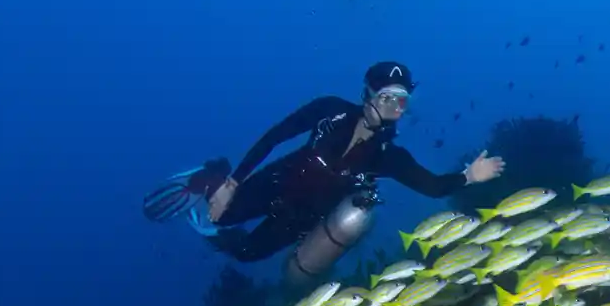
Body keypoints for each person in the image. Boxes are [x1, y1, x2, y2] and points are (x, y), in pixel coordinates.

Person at [143, 62, 505, 283]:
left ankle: (210, 218)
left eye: (402, 102)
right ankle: (211, 176)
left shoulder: (387, 157)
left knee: (246, 253)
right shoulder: (329, 110)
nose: (394, 108)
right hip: (276, 181)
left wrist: (469, 176)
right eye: (386, 97)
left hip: (302, 217)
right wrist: (232, 182)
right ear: (367, 94)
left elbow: (433, 187)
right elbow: (277, 135)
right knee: (222, 217)